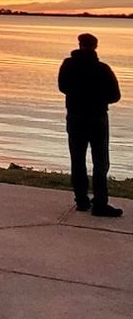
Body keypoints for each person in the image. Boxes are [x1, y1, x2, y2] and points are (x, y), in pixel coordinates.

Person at [58, 33, 122, 217]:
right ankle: (100, 203)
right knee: (100, 162)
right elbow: (115, 96)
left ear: (80, 45)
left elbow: (62, 87)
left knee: (77, 160)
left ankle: (81, 201)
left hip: (76, 117)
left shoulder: (68, 65)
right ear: (95, 46)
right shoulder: (102, 69)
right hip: (97, 119)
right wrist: (98, 98)